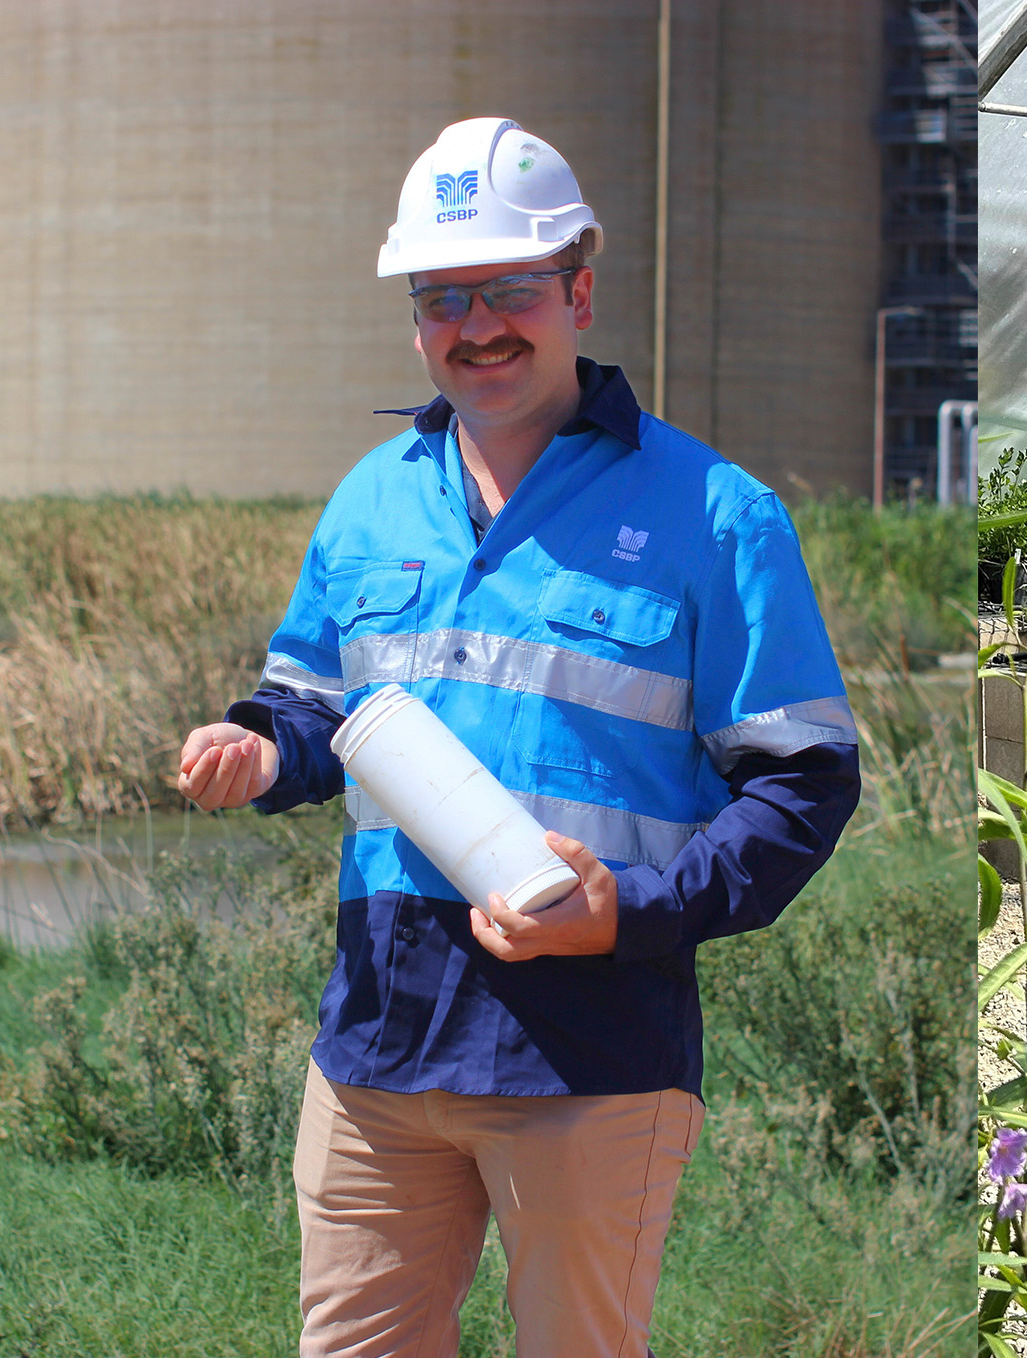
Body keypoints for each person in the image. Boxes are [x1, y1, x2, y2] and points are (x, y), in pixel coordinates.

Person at [173, 118, 859, 1356]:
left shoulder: (716, 512)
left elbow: (801, 784)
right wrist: (262, 751)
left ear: (578, 290)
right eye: (443, 297)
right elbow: (319, 708)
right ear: (415, 315)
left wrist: (631, 911)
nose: (476, 323)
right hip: (378, 1041)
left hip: (591, 1051)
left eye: (509, 289)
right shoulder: (372, 494)